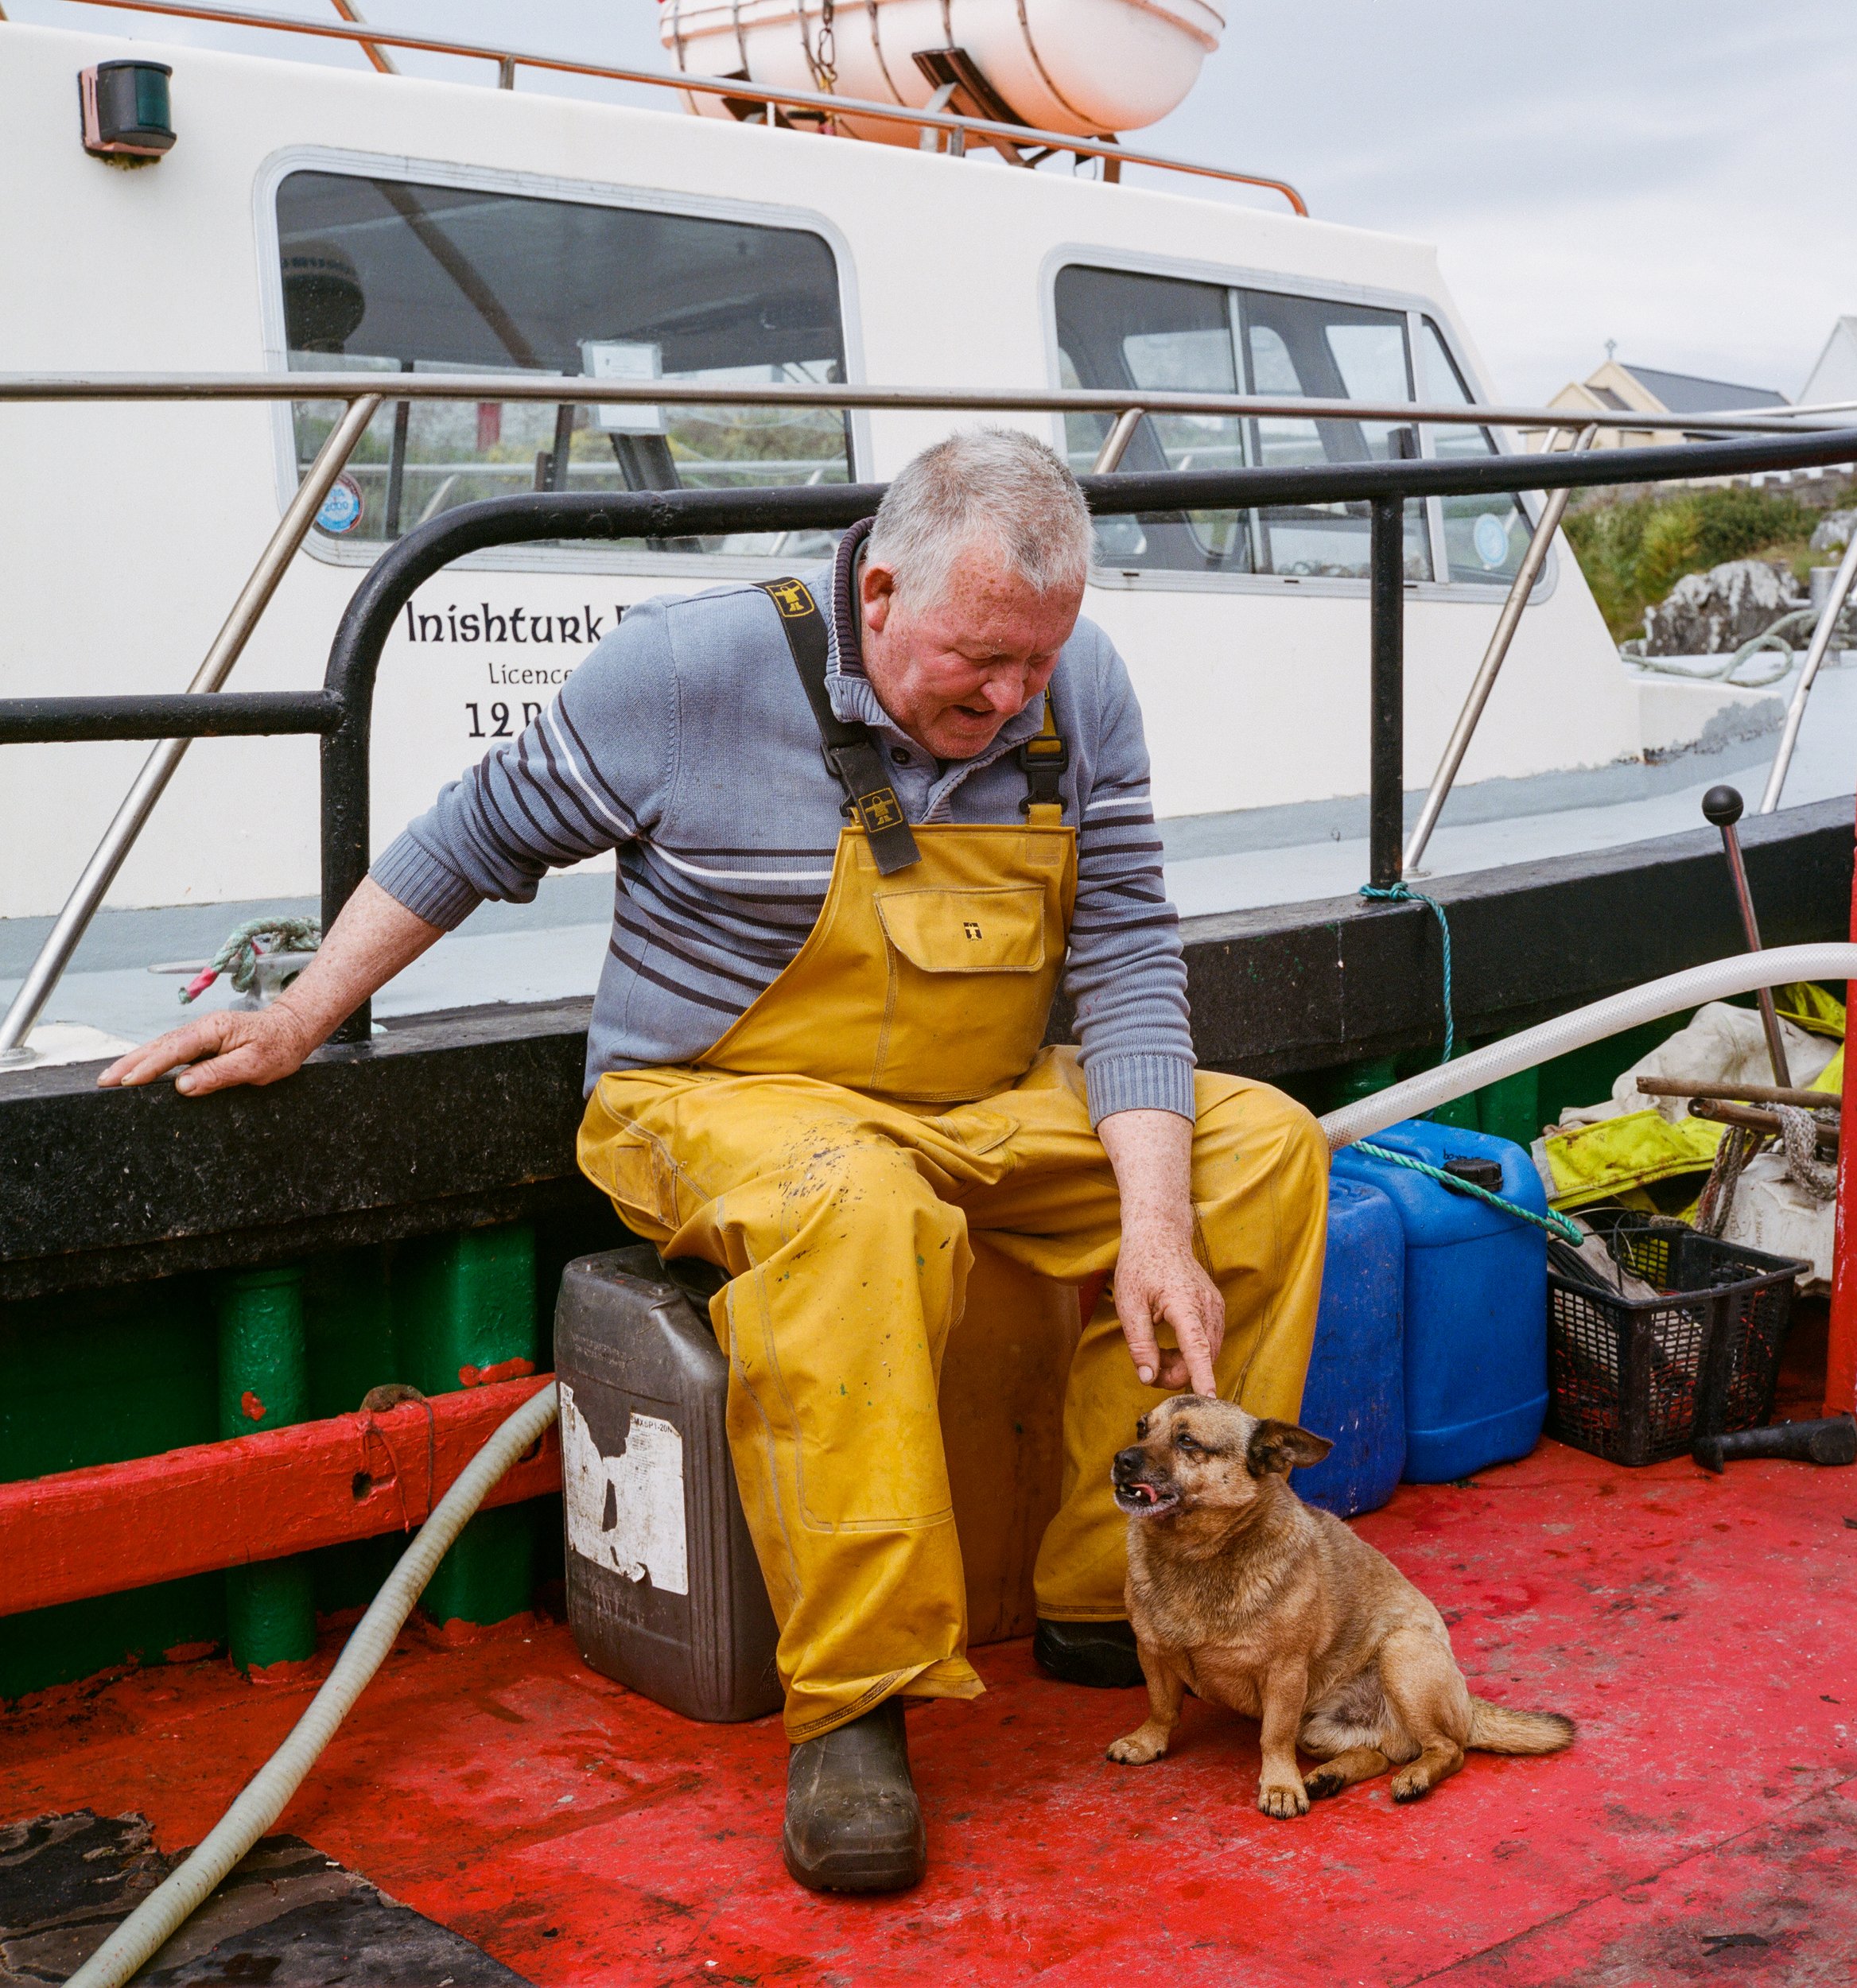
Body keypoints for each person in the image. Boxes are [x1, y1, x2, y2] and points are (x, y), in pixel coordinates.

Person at [103, 428, 1330, 1894]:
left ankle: (1107, 1592)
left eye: (1037, 670)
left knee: (1257, 1152)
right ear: (878, 591)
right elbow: (473, 837)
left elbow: (1128, 954)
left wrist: (1151, 1216)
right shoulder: (685, 675)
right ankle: (858, 1703)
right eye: (979, 663)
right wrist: (305, 1012)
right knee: (859, 1202)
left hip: (984, 1103)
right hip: (713, 1100)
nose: (1011, 702)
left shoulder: (1081, 688)